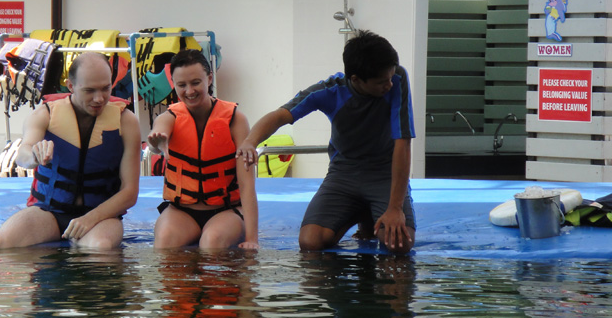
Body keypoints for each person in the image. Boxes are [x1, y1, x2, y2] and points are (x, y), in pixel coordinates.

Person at [237, 30, 416, 254]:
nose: (389, 85)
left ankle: (371, 214)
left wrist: (395, 207)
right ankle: (364, 212)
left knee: (398, 244)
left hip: (384, 174)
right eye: (382, 82)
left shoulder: (397, 78)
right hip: (344, 175)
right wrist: (250, 141)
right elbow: (281, 115)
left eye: (390, 78)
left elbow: (403, 142)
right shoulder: (330, 91)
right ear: (356, 79)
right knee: (311, 242)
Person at [0, 52, 141, 249]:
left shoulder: (126, 121)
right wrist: (34, 155)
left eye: (106, 88)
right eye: (89, 90)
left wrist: (89, 219)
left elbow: (130, 192)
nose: (99, 98)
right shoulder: (45, 114)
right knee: (0, 245)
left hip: (101, 217)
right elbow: (22, 155)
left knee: (99, 248)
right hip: (49, 212)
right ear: (70, 86)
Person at [147, 49, 258, 249]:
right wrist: (158, 143)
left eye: (195, 83)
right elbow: (159, 133)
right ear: (173, 84)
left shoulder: (235, 120)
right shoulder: (168, 118)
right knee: (164, 243)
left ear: (209, 79)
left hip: (226, 210)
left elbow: (247, 185)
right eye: (182, 85)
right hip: (181, 211)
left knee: (211, 243)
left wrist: (252, 239)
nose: (189, 91)